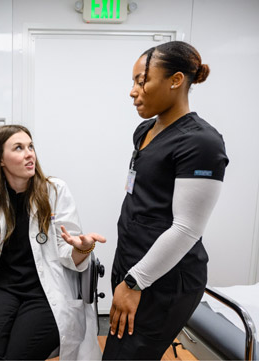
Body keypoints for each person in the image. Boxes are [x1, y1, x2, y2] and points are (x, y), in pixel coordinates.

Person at [0, 125, 106, 360]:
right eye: (19, 148)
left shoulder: (55, 191)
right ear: (0, 160)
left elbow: (69, 254)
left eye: (31, 147)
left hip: (45, 293)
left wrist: (83, 248)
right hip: (3, 291)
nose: (29, 154)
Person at [102, 41, 229, 360]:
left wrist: (134, 282)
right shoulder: (145, 130)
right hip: (133, 262)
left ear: (175, 81)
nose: (133, 91)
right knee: (116, 353)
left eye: (141, 80)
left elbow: (187, 228)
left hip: (164, 279)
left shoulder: (201, 142)